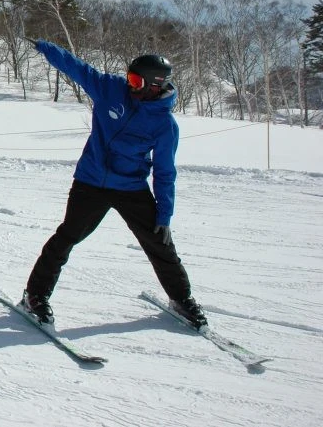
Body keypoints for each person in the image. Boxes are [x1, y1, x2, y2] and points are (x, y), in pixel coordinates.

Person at [20, 40, 208, 329]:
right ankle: (34, 296)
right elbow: (75, 66)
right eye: (129, 77)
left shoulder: (164, 125)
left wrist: (164, 215)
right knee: (67, 237)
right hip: (90, 181)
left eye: (135, 80)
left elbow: (165, 172)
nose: (128, 84)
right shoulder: (110, 89)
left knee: (159, 243)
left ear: (154, 85)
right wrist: (45, 47)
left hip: (130, 187)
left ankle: (182, 299)